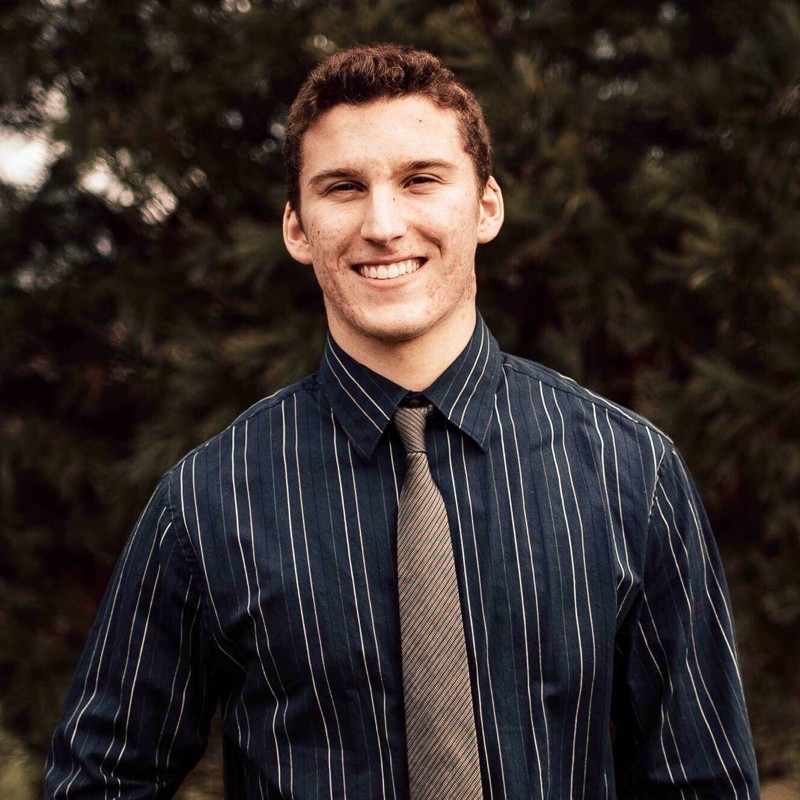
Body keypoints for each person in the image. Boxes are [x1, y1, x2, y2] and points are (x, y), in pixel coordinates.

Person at [46, 43, 760, 799]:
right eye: (343, 187)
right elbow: (99, 783)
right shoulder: (207, 502)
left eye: (421, 179)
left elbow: (703, 784)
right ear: (296, 228)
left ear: (486, 206)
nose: (383, 224)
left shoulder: (631, 472)